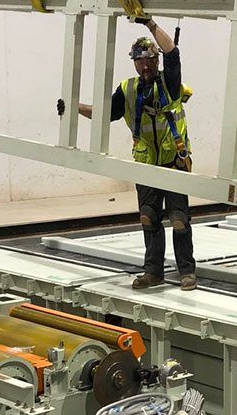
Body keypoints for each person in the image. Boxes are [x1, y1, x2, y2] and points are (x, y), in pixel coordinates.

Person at [63, 17, 196, 291]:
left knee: (179, 220)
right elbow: (104, 113)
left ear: (156, 61)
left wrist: (150, 24)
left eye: (149, 59)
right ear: (134, 62)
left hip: (174, 160)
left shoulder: (169, 83)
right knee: (148, 217)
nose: (145, 65)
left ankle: (186, 272)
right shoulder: (128, 89)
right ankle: (153, 272)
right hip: (146, 163)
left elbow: (172, 52)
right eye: (140, 60)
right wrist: (73, 106)